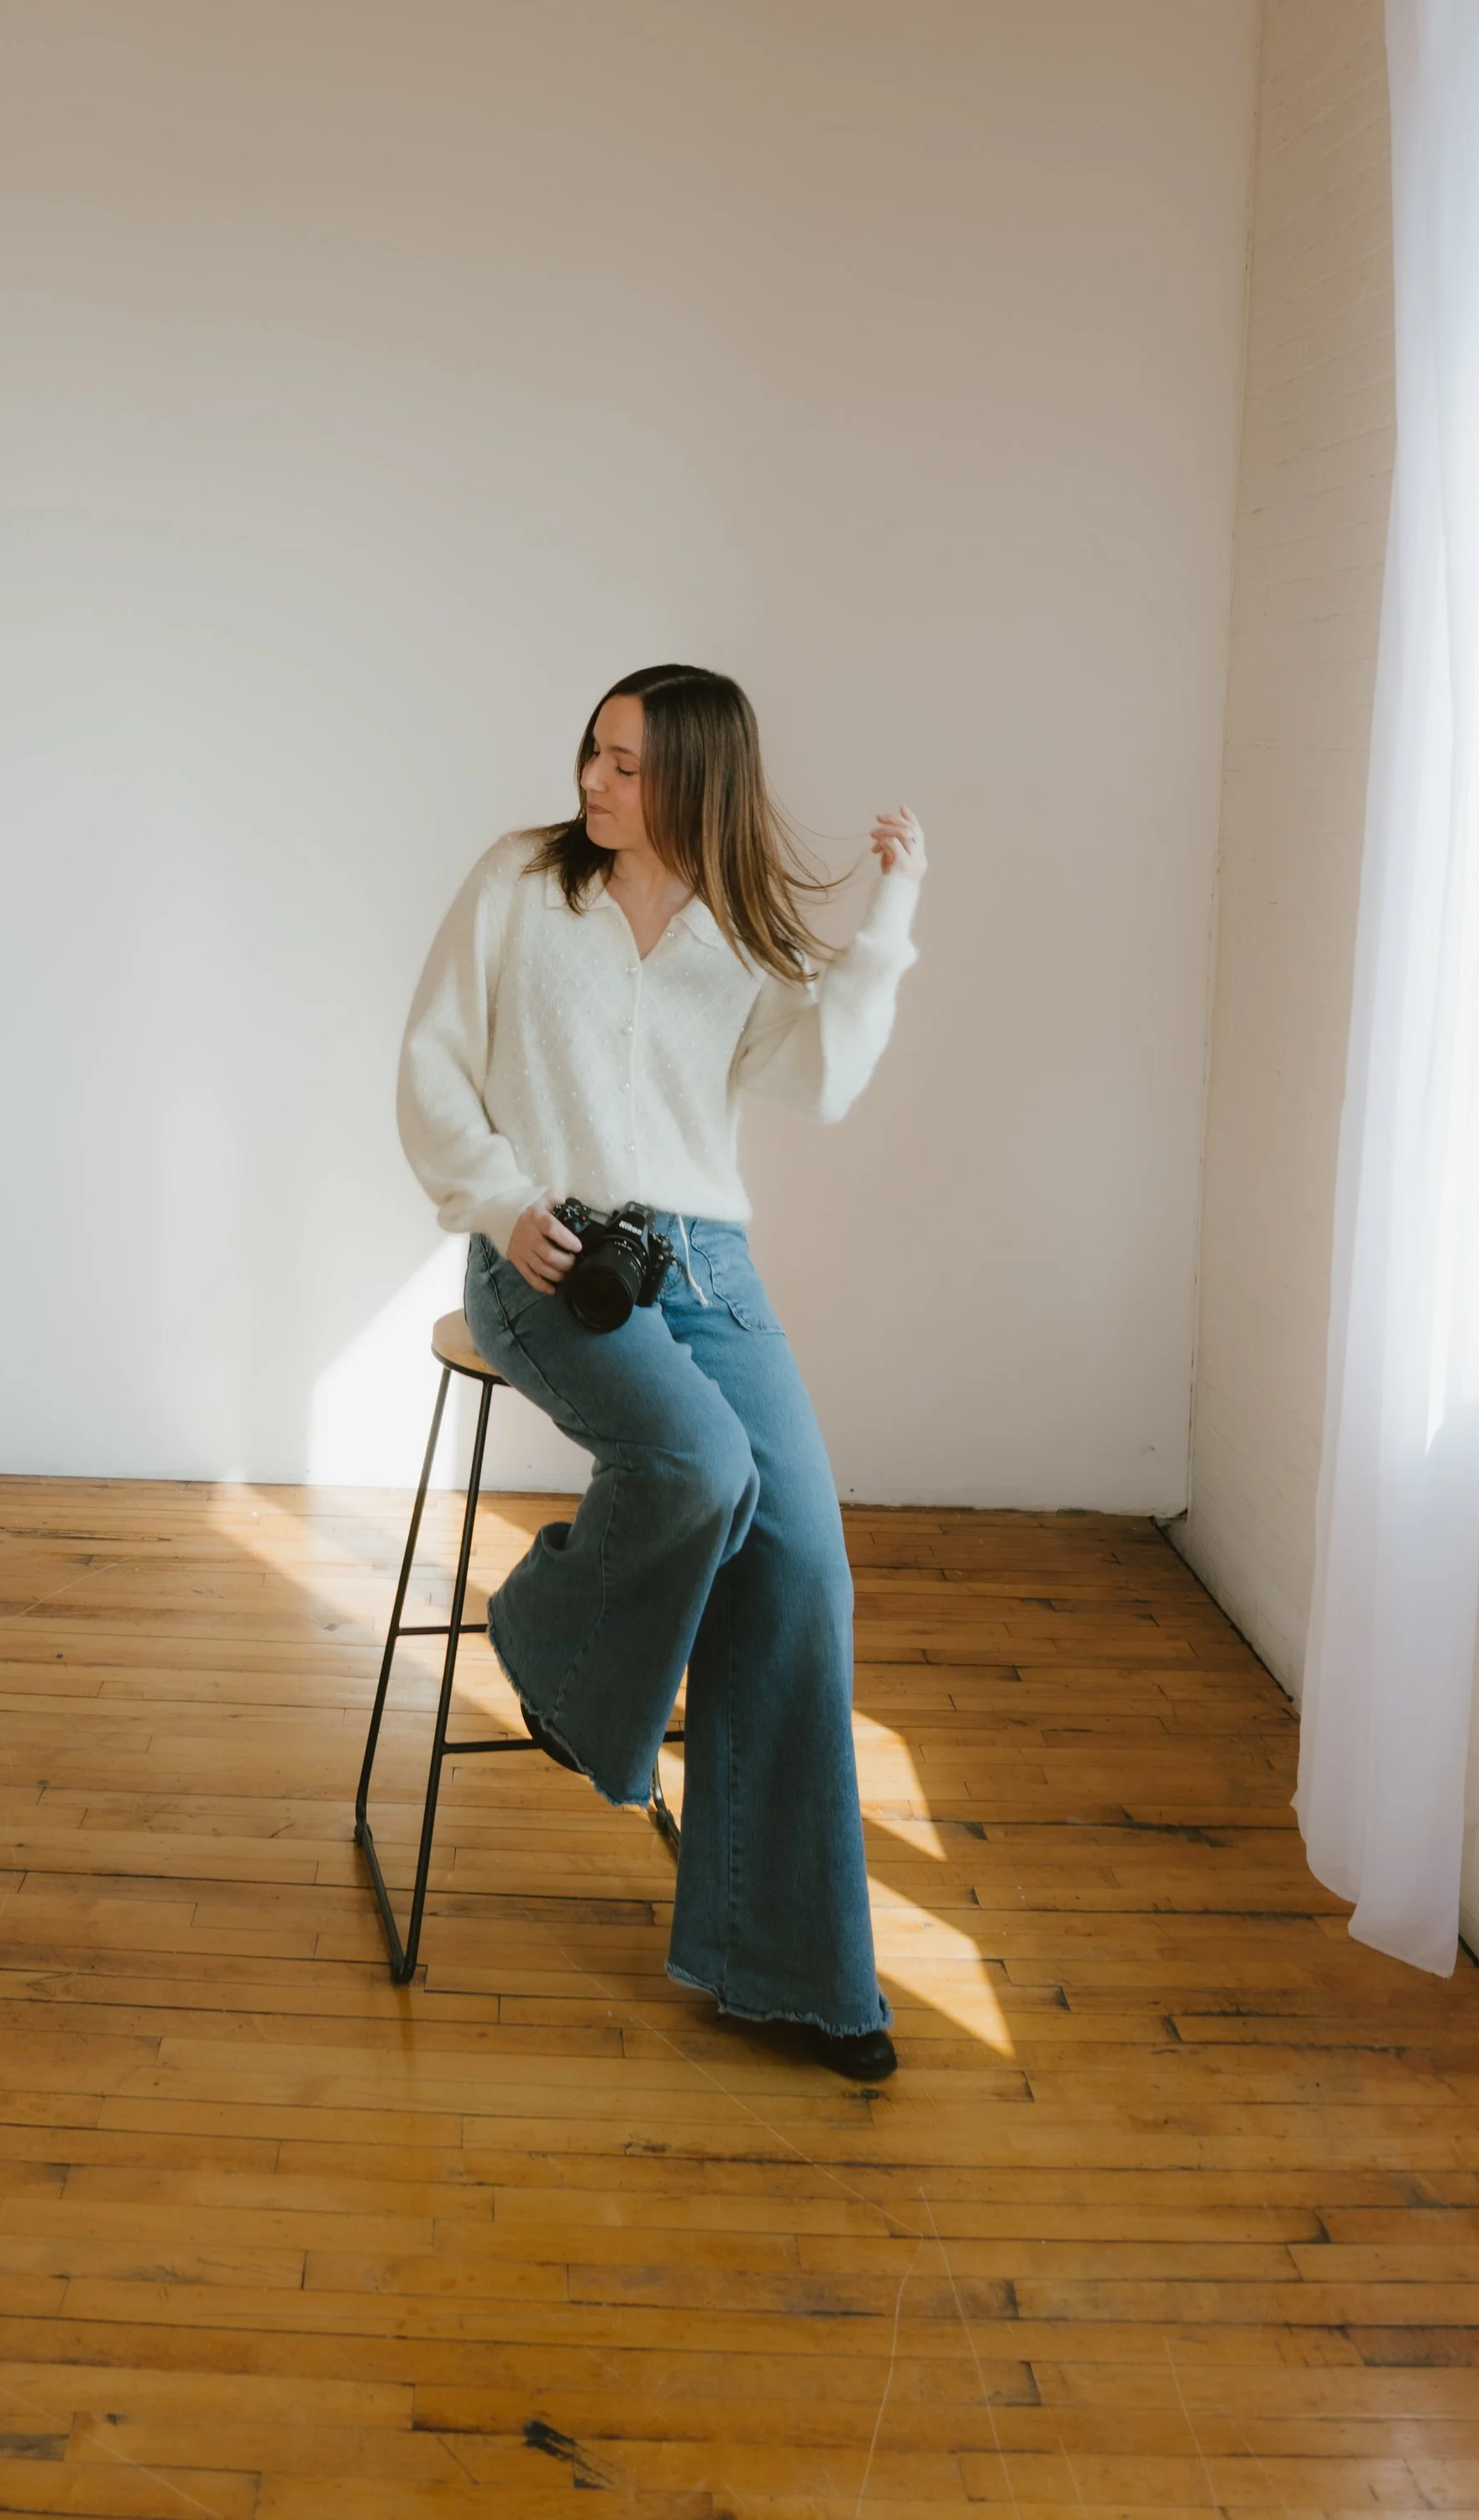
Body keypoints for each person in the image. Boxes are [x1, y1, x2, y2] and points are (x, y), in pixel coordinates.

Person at [396, 662, 925, 2080]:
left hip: (706, 1270)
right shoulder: (521, 884)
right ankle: (558, 1650)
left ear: (694, 779)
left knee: (806, 1561)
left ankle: (799, 1976)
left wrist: (890, 921)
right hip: (547, 1251)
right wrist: (506, 1205)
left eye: (627, 767)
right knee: (700, 1466)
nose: (594, 783)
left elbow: (818, 1080)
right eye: (594, 754)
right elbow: (432, 1066)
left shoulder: (738, 925)